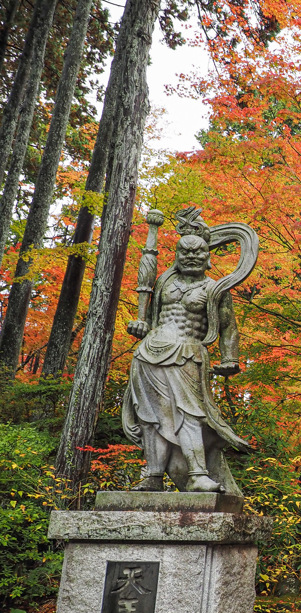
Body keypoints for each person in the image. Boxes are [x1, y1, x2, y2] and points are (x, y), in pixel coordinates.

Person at [122, 209, 250, 495]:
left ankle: (198, 474)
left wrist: (230, 359)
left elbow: (229, 327)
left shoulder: (215, 289)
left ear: (208, 257)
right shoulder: (165, 283)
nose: (191, 257)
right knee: (150, 417)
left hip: (188, 355)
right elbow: (148, 306)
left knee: (189, 415)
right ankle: (153, 475)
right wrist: (140, 324)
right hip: (150, 353)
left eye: (198, 253)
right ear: (177, 255)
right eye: (185, 252)